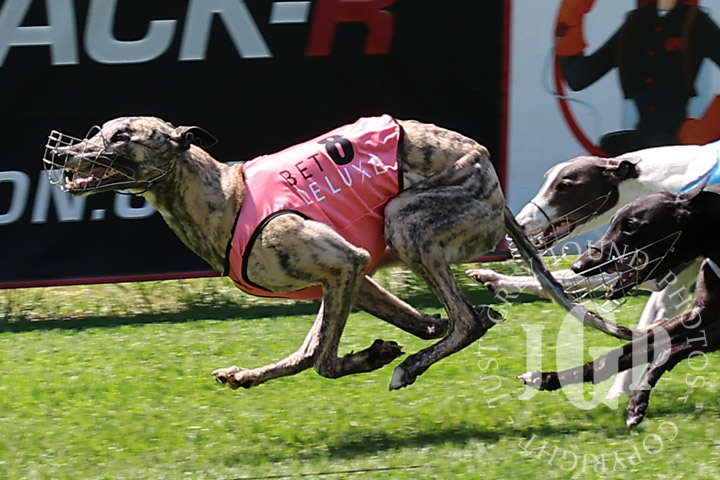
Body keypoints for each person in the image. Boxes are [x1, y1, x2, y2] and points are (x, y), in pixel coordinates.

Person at [555, 0, 720, 155]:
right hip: (641, 145)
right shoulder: (636, 23)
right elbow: (579, 76)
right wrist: (572, 14)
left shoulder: (695, 21)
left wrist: (709, 127)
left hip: (679, 144)